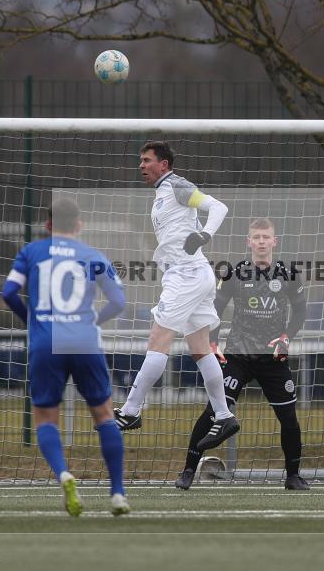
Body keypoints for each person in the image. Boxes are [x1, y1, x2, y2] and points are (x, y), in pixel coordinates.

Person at [1, 197, 129, 517]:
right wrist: (92, 322)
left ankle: (64, 474)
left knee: (45, 419)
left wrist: (32, 319)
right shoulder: (93, 255)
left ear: (47, 226)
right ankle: (117, 493)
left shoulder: (31, 251)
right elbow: (118, 301)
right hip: (84, 340)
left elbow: (7, 292)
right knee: (103, 415)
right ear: (79, 225)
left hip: (46, 342)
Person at [114, 141, 240, 451]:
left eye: (147, 160)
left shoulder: (177, 185)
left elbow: (218, 207)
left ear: (164, 164)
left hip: (186, 276)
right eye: (140, 160)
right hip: (191, 275)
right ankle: (223, 415)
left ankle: (130, 410)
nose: (141, 166)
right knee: (200, 348)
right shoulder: (161, 193)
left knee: (158, 339)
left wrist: (204, 235)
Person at [176, 218, 309, 491]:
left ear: (275, 241)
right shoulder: (234, 273)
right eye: (256, 237)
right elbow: (216, 308)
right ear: (248, 242)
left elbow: (301, 311)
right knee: (214, 410)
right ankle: (188, 470)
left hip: (273, 359)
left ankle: (293, 476)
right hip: (237, 356)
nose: (261, 241)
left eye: (266, 237)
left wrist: (286, 338)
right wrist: (212, 343)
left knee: (289, 419)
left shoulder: (289, 274)